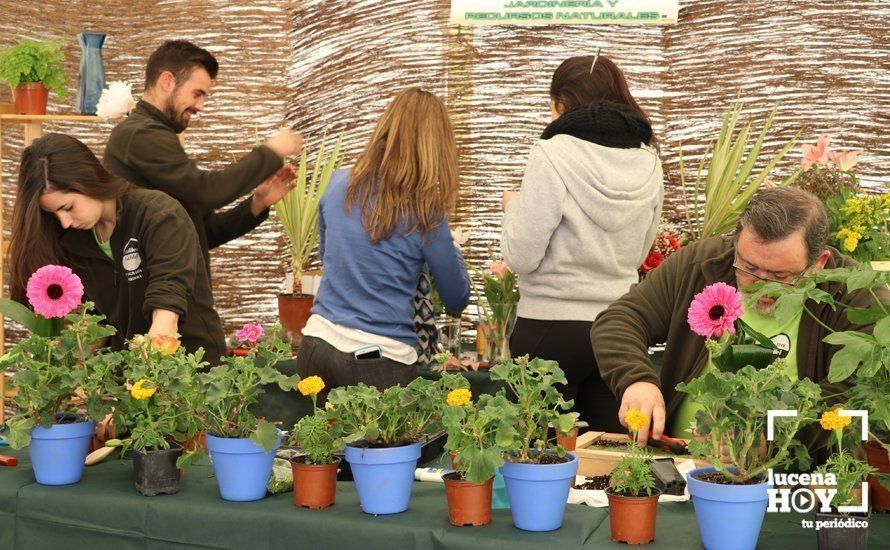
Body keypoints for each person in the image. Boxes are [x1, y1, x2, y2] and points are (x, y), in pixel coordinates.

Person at [591, 186, 880, 451]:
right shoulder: (703, 264)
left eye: (781, 277)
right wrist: (637, 380)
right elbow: (620, 319)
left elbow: (857, 393)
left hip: (795, 477)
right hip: (681, 461)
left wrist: (774, 436)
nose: (761, 286)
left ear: (820, 263)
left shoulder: (857, 295)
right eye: (749, 267)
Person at [501, 54, 663, 432]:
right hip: (618, 328)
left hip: (547, 328)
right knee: (610, 465)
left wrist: (512, 209)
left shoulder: (552, 153)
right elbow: (639, 254)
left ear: (561, 104)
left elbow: (520, 256)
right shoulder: (649, 161)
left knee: (535, 461)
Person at [298, 87, 471, 391]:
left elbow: (330, 257)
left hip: (316, 345)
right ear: (437, 146)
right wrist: (451, 247)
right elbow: (456, 297)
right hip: (376, 357)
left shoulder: (338, 183)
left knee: (323, 439)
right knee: (394, 439)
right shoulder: (425, 210)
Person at [9, 133, 226, 363]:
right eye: (54, 214)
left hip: (194, 373)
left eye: (68, 207)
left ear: (86, 178)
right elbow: (99, 327)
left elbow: (166, 315)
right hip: (131, 379)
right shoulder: (74, 240)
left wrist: (145, 377)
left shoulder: (158, 215)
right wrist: (62, 369)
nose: (64, 221)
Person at [103, 39, 301, 278]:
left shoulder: (155, 135)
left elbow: (204, 232)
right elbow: (206, 191)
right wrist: (271, 152)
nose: (201, 106)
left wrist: (256, 204)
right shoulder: (140, 135)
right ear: (167, 81)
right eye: (197, 94)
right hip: (160, 300)